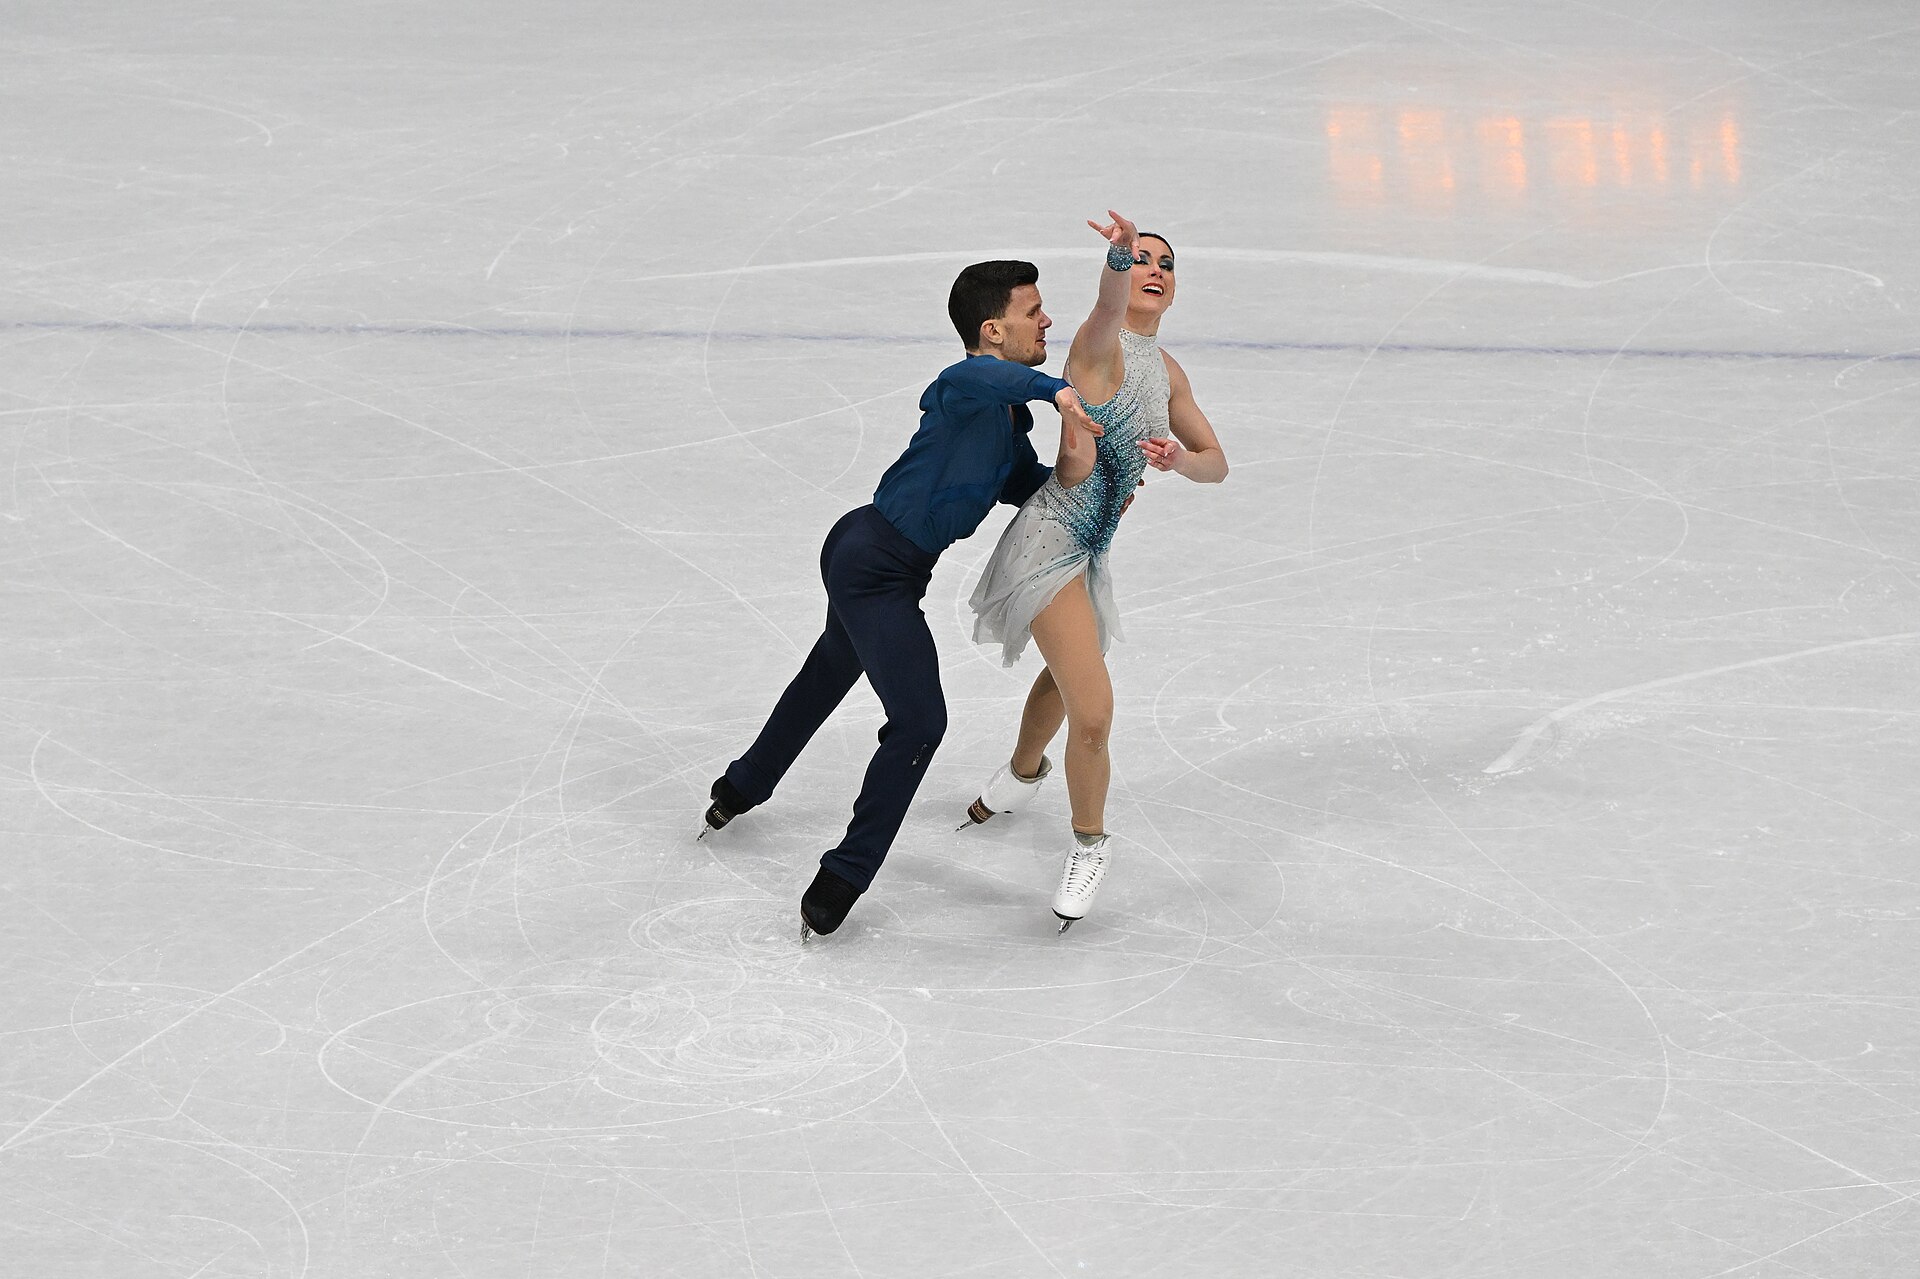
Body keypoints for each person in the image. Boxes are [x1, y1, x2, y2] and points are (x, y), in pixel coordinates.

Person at [699, 259, 1101, 940]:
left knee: (831, 669)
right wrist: (1057, 390)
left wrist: (1097, 485)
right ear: (992, 330)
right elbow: (988, 380)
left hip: (885, 564)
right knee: (919, 722)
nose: (1047, 321)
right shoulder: (964, 385)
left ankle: (741, 786)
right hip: (872, 565)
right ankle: (843, 876)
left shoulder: (1005, 420)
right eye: (1033, 312)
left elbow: (1023, 483)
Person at [964, 212, 1228, 932]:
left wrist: (1180, 461)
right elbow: (1110, 305)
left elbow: (1217, 463)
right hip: (1048, 540)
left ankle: (1020, 776)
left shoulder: (1168, 373)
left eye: (1165, 263)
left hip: (1091, 548)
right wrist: (1115, 257)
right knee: (1095, 711)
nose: (1153, 269)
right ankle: (1090, 843)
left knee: (1063, 678)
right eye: (1143, 259)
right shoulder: (1097, 345)